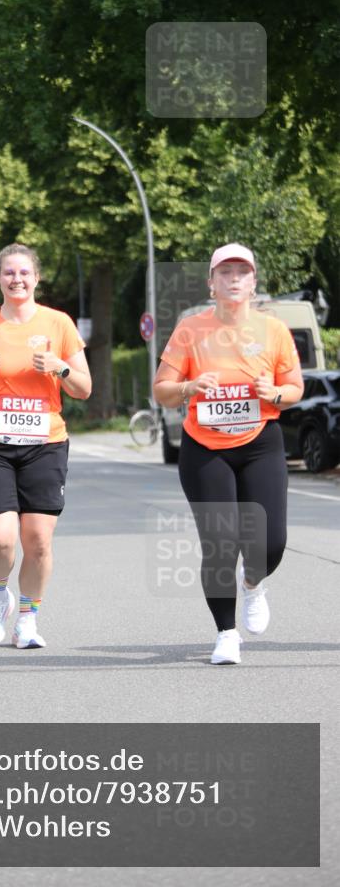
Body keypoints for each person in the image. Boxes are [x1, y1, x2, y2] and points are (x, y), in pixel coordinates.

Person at [153, 243, 304, 665]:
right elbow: (162, 390)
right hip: (205, 448)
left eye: (242, 271)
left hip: (260, 444)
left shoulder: (272, 330)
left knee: (270, 543)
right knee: (220, 545)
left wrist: (274, 392)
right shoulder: (190, 329)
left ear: (253, 282)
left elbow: (294, 389)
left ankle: (253, 582)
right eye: (225, 272)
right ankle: (226, 633)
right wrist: (189, 387)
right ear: (212, 283)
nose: (234, 278)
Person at [0, 243, 91, 649]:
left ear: (36, 278)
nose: (17, 279)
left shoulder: (59, 324)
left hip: (44, 444)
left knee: (39, 540)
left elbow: (83, 388)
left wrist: (59, 367)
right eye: (8, 273)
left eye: (24, 273)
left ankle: (28, 618)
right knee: (1, 538)